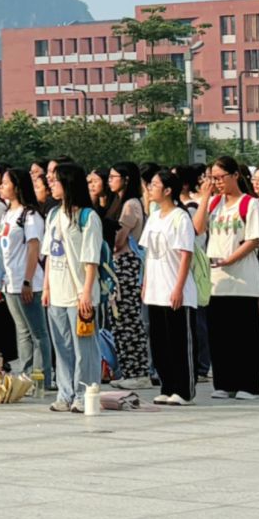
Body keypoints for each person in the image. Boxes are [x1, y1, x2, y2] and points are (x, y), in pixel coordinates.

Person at [197, 156, 259, 400]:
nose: (216, 182)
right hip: (217, 281)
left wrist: (230, 259)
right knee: (220, 335)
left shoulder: (250, 204)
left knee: (244, 335)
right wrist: (205, 198)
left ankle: (248, 384)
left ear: (235, 175)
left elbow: (254, 239)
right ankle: (224, 383)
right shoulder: (214, 203)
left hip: (242, 280)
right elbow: (198, 228)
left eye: (220, 177)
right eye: (212, 178)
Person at [43, 163, 106, 413]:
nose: (51, 185)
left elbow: (91, 260)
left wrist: (86, 293)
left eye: (56, 181)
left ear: (68, 184)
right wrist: (46, 288)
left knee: (84, 349)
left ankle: (84, 393)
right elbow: (50, 254)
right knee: (62, 347)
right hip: (57, 293)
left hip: (80, 294)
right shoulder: (53, 214)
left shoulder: (88, 217)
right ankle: (65, 393)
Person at [139, 169, 197, 404]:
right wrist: (145, 283)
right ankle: (167, 385)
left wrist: (178, 288)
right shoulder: (154, 217)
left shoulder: (180, 217)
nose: (150, 188)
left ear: (168, 190)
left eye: (154, 184)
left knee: (178, 341)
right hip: (155, 288)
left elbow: (186, 255)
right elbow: (148, 254)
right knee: (160, 342)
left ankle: (183, 390)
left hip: (175, 288)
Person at [0, 167, 52, 393]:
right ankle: (26, 376)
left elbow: (33, 248)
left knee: (38, 333)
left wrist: (27, 281)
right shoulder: (7, 213)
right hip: (10, 282)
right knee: (22, 331)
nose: (1, 186)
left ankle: (41, 378)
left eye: (5, 183)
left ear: (17, 186)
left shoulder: (30, 216)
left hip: (28, 282)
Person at [102, 164, 151, 387]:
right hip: (119, 266)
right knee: (119, 320)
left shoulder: (131, 205)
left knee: (129, 320)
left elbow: (119, 240)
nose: (110, 180)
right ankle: (128, 370)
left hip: (127, 266)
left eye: (114, 176)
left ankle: (138, 372)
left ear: (126, 179)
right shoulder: (119, 202)